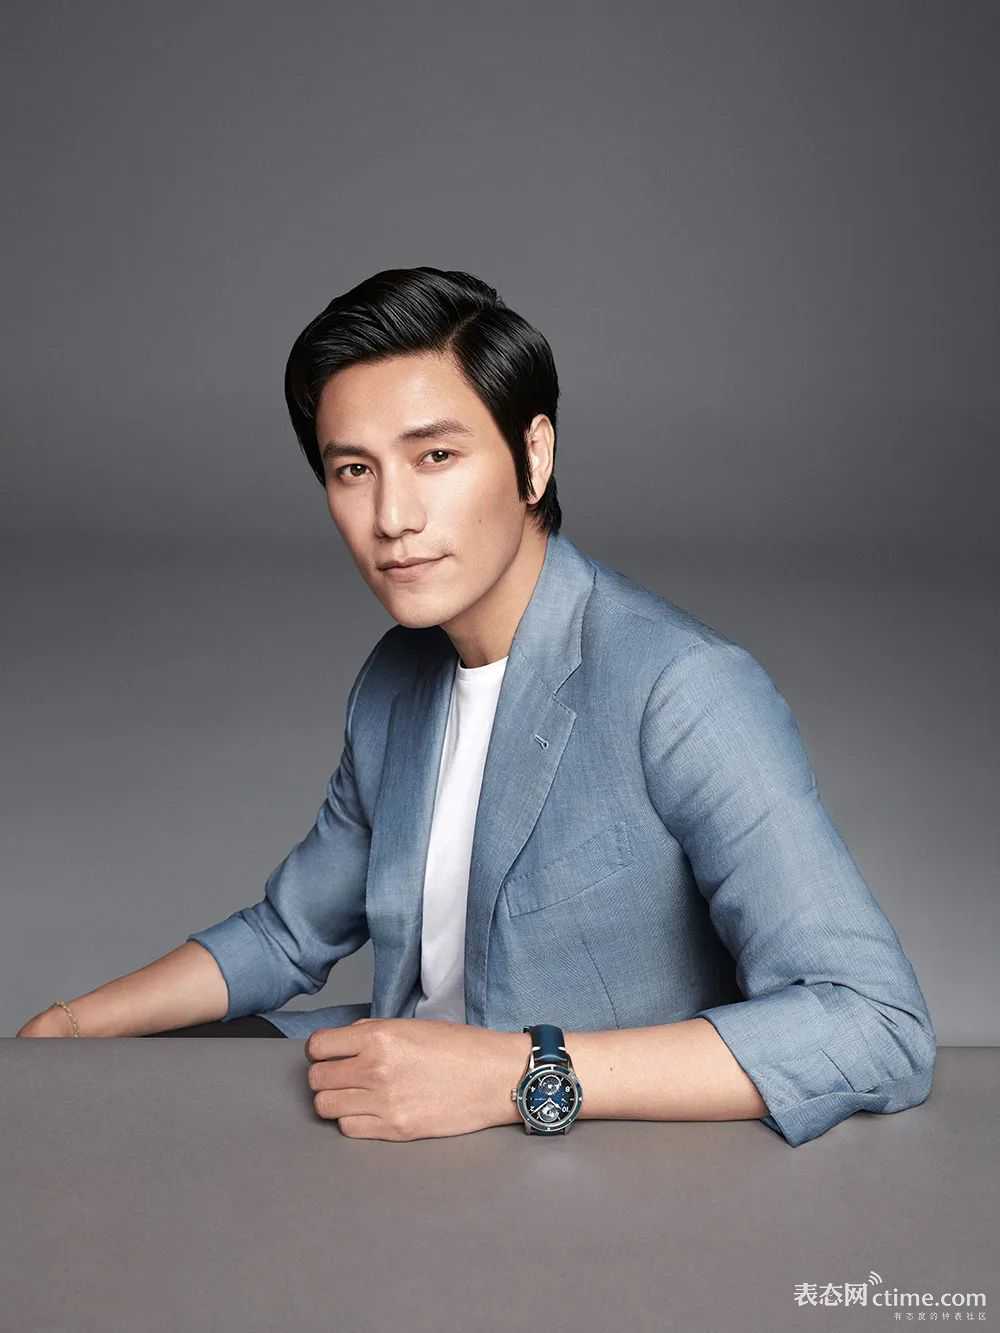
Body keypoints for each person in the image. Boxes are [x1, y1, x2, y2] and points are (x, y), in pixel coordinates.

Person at [18, 267, 936, 1147]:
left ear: (534, 455)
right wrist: (71, 1024)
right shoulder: (394, 679)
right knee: (124, 1100)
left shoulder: (683, 687)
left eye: (436, 456)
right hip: (386, 1101)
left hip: (576, 1151)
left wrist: (516, 1075)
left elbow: (878, 1023)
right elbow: (288, 934)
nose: (393, 517)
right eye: (354, 470)